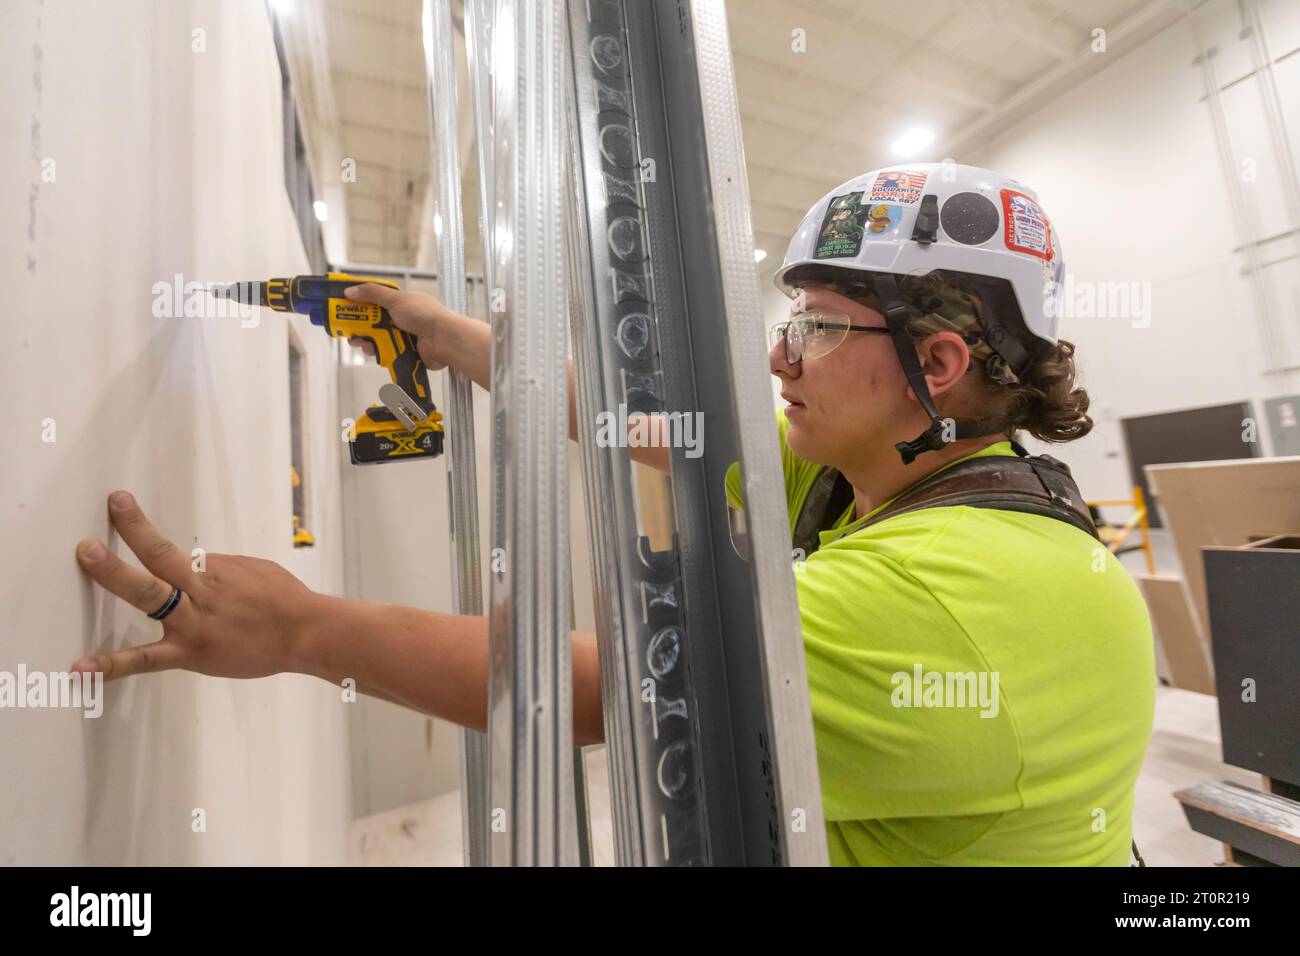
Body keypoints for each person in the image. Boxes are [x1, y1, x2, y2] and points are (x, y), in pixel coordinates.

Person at [72, 162, 1154, 866]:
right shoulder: (881, 465)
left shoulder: (950, 596)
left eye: (818, 328)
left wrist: (300, 627)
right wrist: (452, 339)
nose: (778, 355)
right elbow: (670, 423)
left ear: (939, 361)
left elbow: (590, 689)